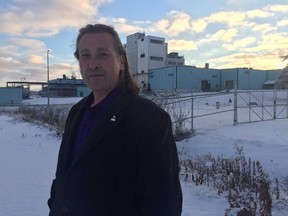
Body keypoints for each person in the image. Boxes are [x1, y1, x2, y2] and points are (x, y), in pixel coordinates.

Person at [48, 23, 182, 216]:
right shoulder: (77, 112)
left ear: (121, 61)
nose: (92, 64)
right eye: (85, 55)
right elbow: (64, 175)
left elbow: (162, 206)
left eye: (102, 54)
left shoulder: (151, 120)